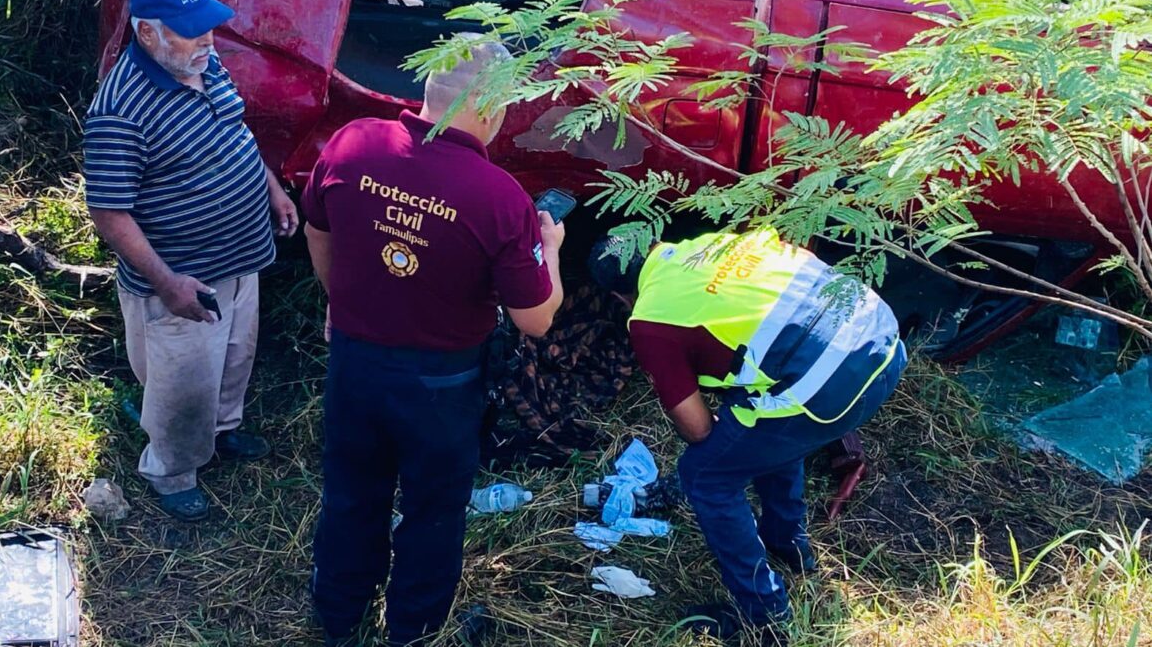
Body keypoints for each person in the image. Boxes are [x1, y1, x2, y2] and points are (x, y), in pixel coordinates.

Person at [301, 41, 565, 647]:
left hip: (355, 364)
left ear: (427, 88)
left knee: (350, 492)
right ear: (494, 109)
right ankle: (413, 631)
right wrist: (549, 249)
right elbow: (536, 319)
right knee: (433, 511)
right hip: (441, 385)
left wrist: (343, 301)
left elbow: (317, 230)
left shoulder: (353, 143)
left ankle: (338, 619)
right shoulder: (500, 198)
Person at [589, 227, 906, 641]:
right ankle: (787, 545)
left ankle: (765, 618)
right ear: (651, 244)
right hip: (883, 339)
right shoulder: (712, 242)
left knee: (706, 475)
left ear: (619, 297)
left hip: (830, 384)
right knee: (764, 427)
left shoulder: (649, 318)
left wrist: (722, 436)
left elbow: (697, 427)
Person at [84, 0, 299, 522]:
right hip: (181, 278)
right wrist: (168, 282)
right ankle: (172, 470)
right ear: (148, 31)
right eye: (190, 28)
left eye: (208, 24)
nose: (207, 38)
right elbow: (109, 211)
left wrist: (272, 189)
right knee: (183, 378)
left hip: (239, 258)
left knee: (232, 356)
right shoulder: (120, 111)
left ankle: (222, 430)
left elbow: (237, 130)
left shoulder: (204, 62)